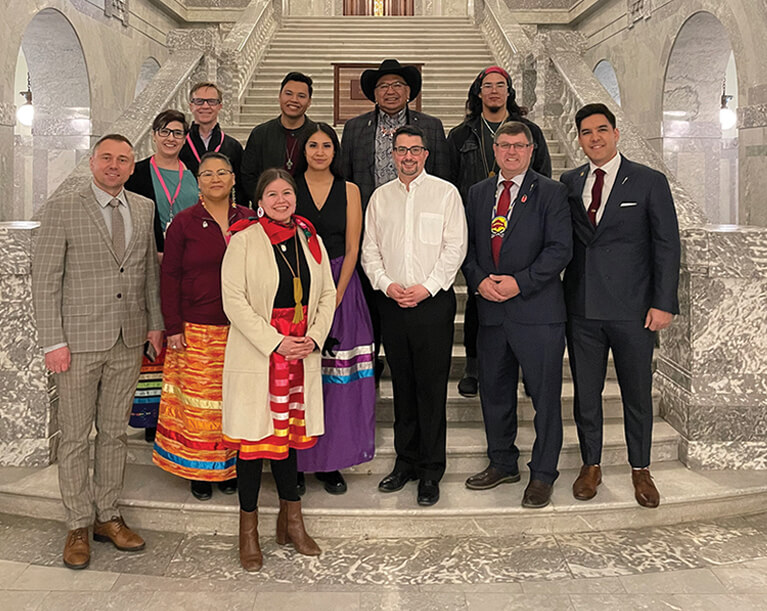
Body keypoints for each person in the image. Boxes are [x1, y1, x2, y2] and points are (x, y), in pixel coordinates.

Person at [32, 134, 163, 570]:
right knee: (74, 438)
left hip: (127, 341)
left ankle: (108, 516)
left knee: (113, 434)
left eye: (123, 159)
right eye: (106, 158)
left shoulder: (143, 208)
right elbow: (46, 279)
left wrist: (155, 325)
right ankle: (77, 524)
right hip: (77, 345)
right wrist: (53, 341)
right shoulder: (63, 207)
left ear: (131, 167)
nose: (114, 165)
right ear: (92, 162)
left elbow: (146, 274)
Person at [560, 103, 680, 508]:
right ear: (578, 139)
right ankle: (590, 465)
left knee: (637, 393)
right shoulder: (569, 180)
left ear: (615, 133)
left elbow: (666, 246)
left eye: (601, 130)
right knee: (586, 394)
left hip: (633, 311)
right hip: (582, 310)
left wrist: (663, 303)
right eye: (586, 132)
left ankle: (640, 469)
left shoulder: (648, 181)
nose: (594, 138)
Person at [220, 168, 336, 571]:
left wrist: (314, 337)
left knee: (287, 441)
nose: (282, 200)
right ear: (259, 202)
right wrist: (275, 340)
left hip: (300, 352)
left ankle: (292, 523)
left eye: (287, 192)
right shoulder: (244, 239)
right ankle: (248, 531)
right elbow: (233, 301)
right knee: (254, 445)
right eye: (273, 194)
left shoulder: (310, 237)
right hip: (261, 351)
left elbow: (327, 293)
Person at [462, 121, 572, 510]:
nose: (511, 152)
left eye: (519, 146)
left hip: (537, 313)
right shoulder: (476, 194)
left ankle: (543, 474)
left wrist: (519, 282)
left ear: (530, 150)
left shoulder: (552, 192)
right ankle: (502, 462)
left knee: (545, 398)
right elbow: (469, 248)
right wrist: (478, 281)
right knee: (494, 394)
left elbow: (560, 250)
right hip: (491, 311)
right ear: (494, 150)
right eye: (504, 145)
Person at [361, 125, 467, 507]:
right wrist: (387, 284)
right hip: (392, 302)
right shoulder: (380, 197)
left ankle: (430, 469)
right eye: (400, 150)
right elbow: (369, 249)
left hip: (432, 302)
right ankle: (404, 462)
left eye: (414, 150)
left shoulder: (446, 193)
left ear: (425, 154)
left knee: (431, 388)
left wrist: (428, 286)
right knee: (402, 386)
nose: (407, 156)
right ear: (392, 154)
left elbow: (455, 248)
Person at [341, 58, 450, 384]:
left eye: (397, 85)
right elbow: (346, 177)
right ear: (373, 93)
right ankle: (372, 360)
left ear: (409, 92)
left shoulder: (430, 126)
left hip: (419, 231)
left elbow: (442, 175)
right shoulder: (356, 127)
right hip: (374, 226)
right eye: (383, 86)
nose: (390, 91)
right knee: (373, 296)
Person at [448, 66, 552, 398]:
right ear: (478, 92)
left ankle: (523, 365)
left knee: (522, 300)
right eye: (487, 86)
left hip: (524, 229)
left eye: (500, 86)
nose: (494, 91)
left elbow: (546, 179)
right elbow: (450, 184)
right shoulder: (461, 135)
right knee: (480, 303)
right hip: (478, 227)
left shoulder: (530, 131)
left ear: (509, 92)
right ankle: (474, 367)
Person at [152, 152, 250, 500]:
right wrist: (172, 325)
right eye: (207, 174)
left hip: (243, 329)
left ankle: (231, 467)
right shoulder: (184, 222)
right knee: (198, 404)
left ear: (234, 178)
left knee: (235, 401)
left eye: (222, 172)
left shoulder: (250, 219)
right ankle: (199, 469)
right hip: (197, 326)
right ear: (198, 182)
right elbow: (170, 275)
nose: (216, 178)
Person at [293, 123, 376, 495]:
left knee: (337, 381)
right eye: (313, 144)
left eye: (327, 145)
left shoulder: (351, 190)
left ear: (335, 151)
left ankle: (331, 462)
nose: (320, 151)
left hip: (342, 286)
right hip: (296, 289)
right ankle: (294, 461)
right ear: (303, 150)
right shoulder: (288, 186)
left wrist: (337, 294)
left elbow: (355, 245)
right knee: (298, 379)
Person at [124, 110, 198, 442]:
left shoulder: (195, 173)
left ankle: (179, 404)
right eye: (165, 131)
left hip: (188, 268)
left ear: (186, 138)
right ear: (154, 134)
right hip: (148, 264)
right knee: (153, 335)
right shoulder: (137, 173)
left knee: (179, 334)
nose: (171, 138)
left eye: (178, 133)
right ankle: (152, 415)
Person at [240, 72, 317, 199]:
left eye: (301, 96)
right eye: (288, 94)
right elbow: (248, 176)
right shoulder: (260, 134)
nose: (294, 100)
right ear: (279, 96)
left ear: (309, 102)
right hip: (268, 210)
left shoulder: (317, 134)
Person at [179, 81, 248, 206]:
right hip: (187, 211)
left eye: (211, 101)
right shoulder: (179, 144)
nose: (205, 106)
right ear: (191, 106)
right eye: (199, 101)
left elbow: (241, 191)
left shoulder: (233, 147)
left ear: (219, 106)